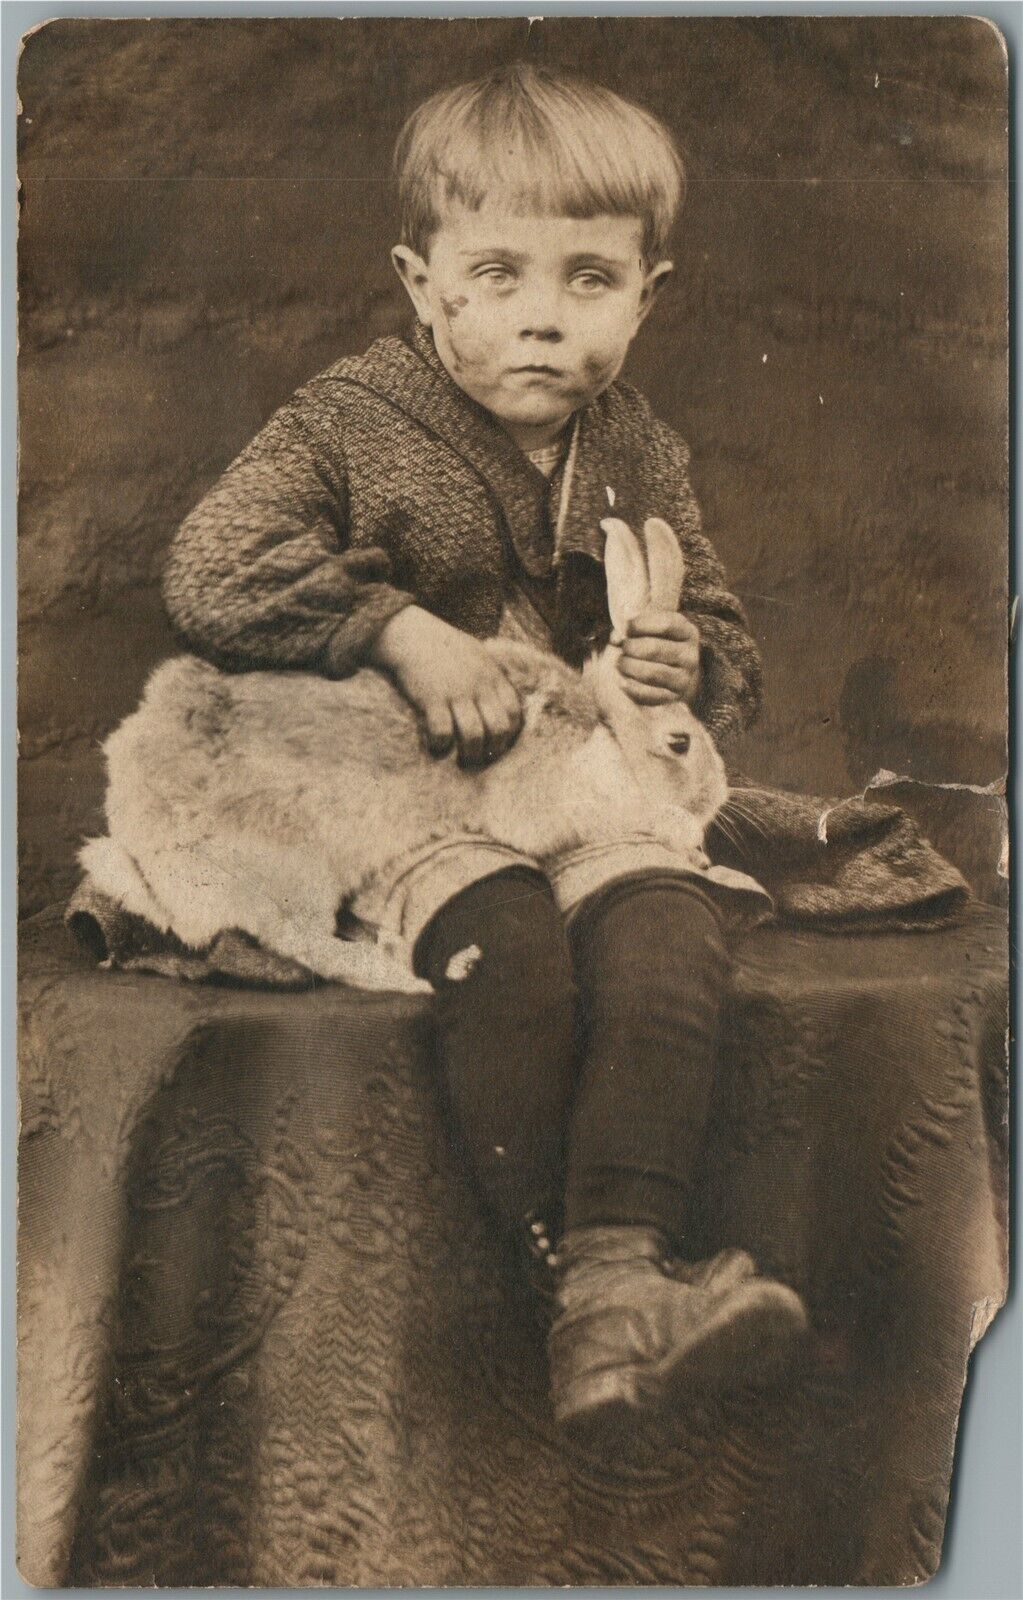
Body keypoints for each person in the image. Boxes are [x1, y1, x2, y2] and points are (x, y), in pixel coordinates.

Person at [161, 62, 808, 1444]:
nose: (539, 319)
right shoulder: (348, 420)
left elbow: (725, 629)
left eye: (588, 280)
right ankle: (579, 1290)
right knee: (508, 941)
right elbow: (212, 568)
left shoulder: (637, 445)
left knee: (669, 928)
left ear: (650, 291)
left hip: (577, 782)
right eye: (498, 275)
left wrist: (685, 651)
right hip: (396, 788)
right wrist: (397, 632)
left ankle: (624, 1276)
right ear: (423, 282)